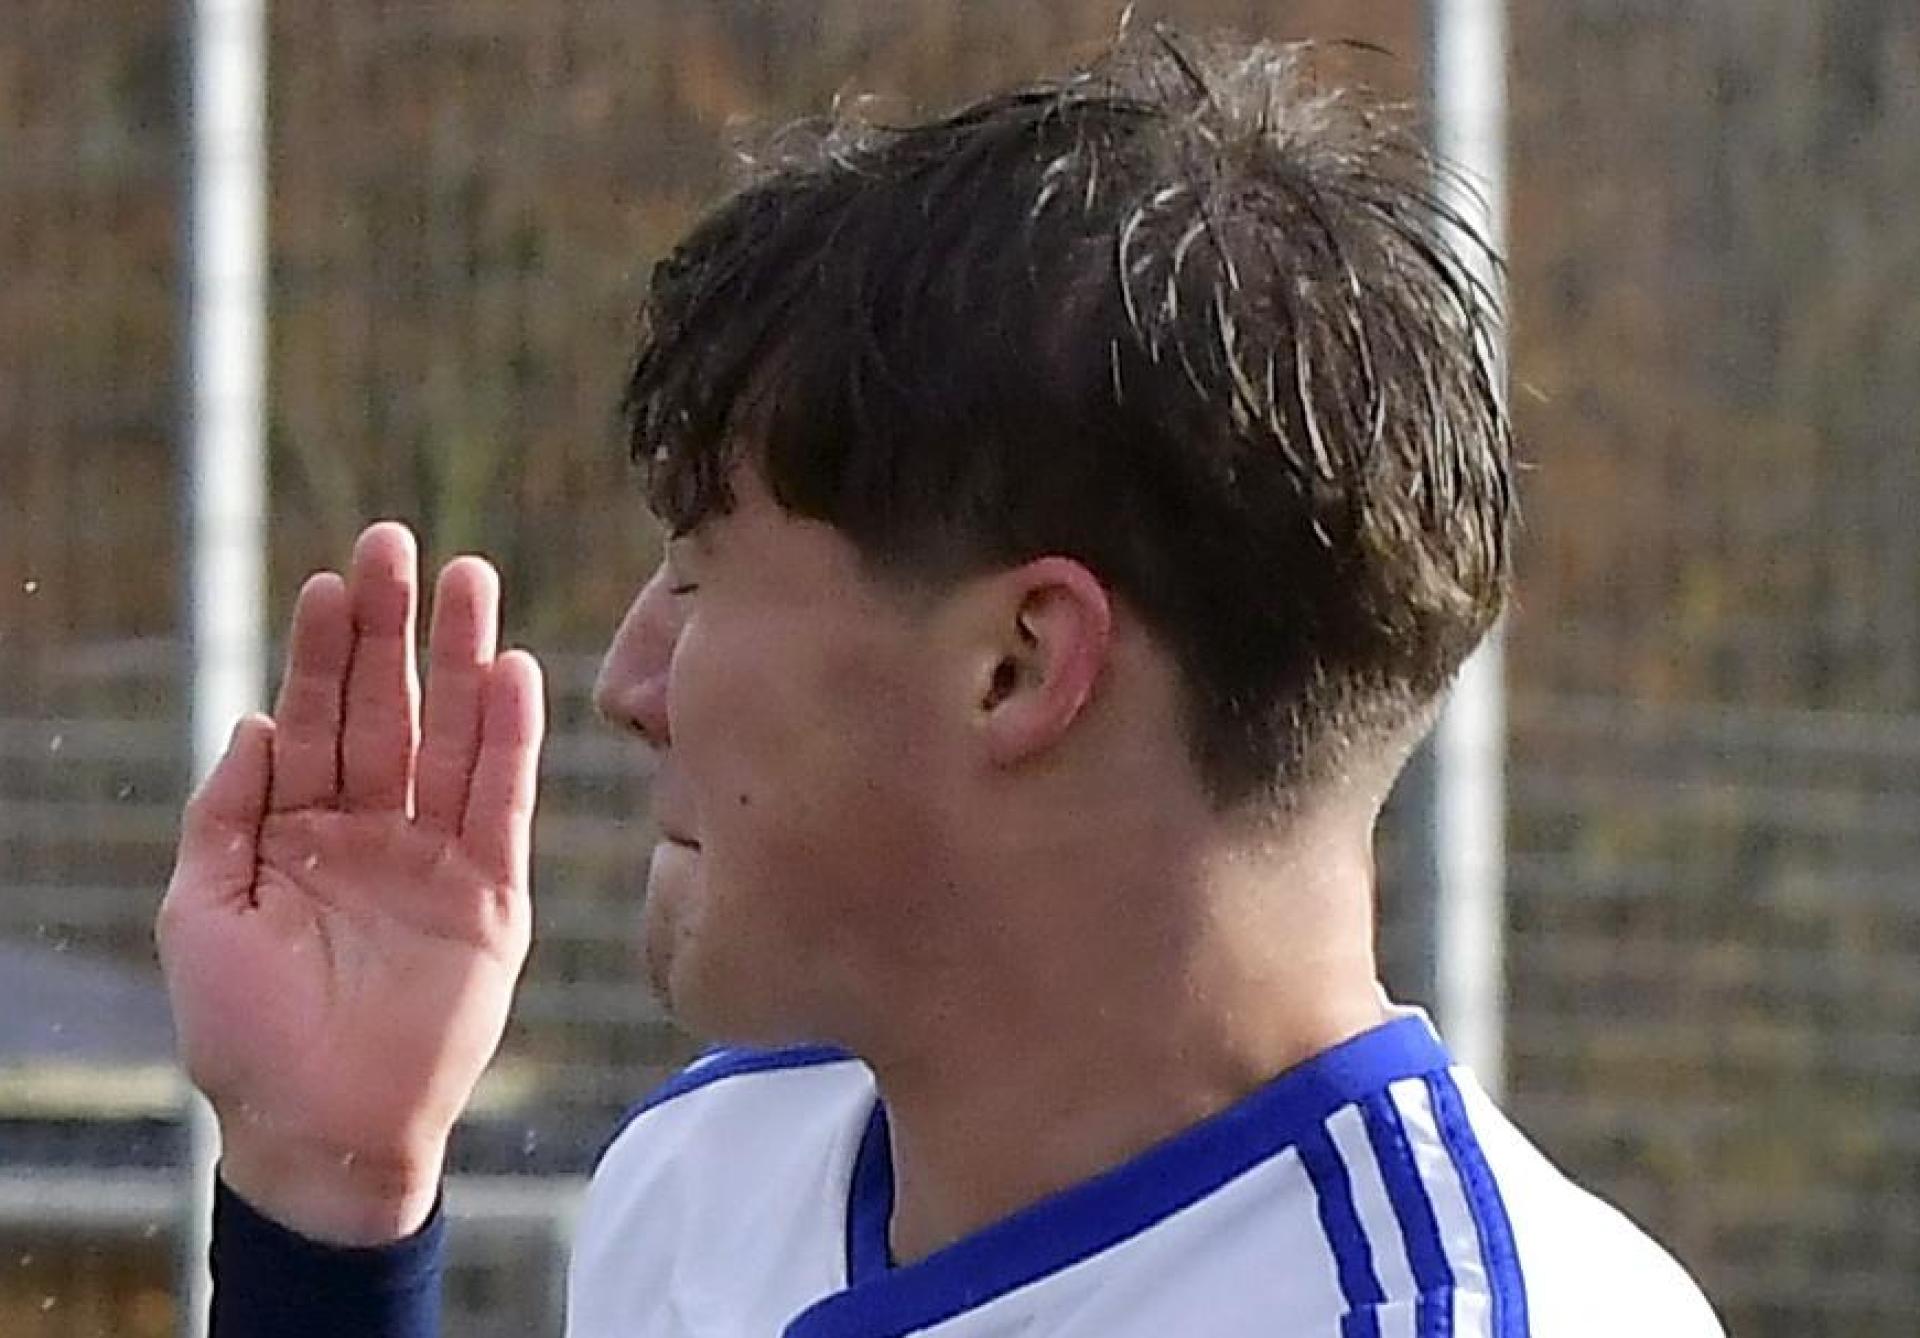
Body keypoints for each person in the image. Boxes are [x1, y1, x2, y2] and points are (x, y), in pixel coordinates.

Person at [157, 27, 1724, 1337]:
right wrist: (332, 1210)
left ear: (1018, 665)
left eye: (701, 573)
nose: (634, 680)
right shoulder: (708, 1179)